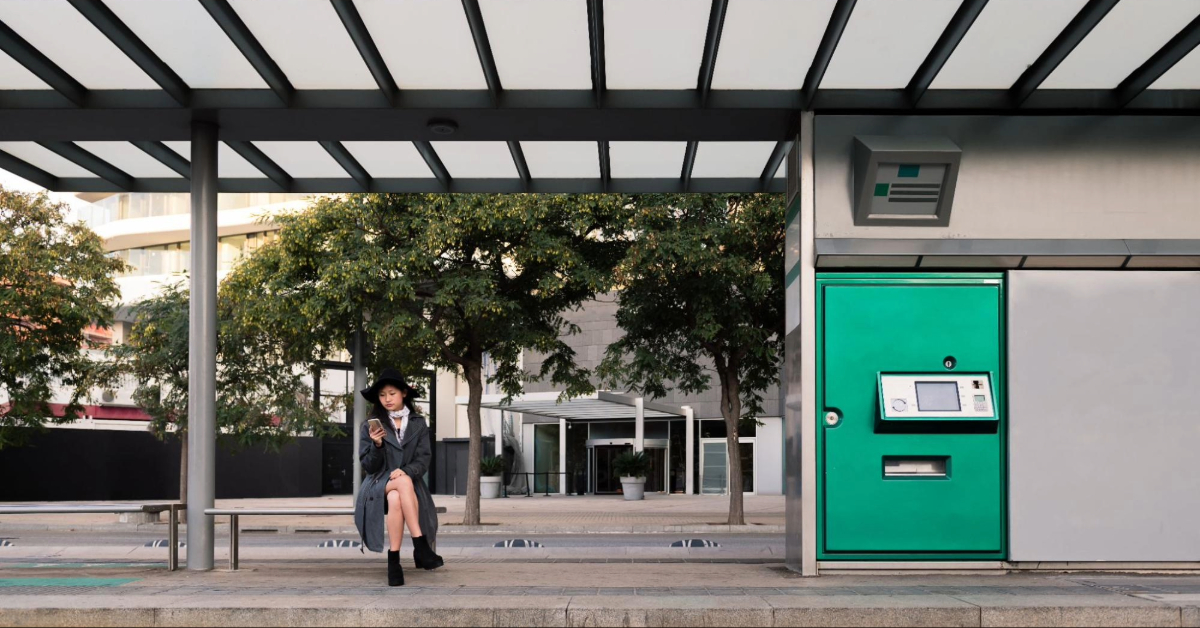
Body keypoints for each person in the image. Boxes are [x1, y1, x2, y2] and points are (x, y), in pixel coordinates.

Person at [354, 368, 443, 586]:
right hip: (376, 484)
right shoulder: (370, 425)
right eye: (382, 395)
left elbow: (423, 458)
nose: (387, 399)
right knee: (400, 484)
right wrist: (377, 444)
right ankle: (420, 545)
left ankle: (393, 562)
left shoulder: (418, 423)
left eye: (392, 393)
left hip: (408, 485)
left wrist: (407, 471)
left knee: (397, 496)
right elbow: (368, 466)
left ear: (403, 393)